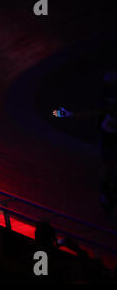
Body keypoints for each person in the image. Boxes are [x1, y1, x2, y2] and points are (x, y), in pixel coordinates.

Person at [52, 72, 117, 214]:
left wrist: (69, 114)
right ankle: (105, 192)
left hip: (109, 132)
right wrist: (70, 114)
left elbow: (95, 113)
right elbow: (95, 113)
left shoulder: (107, 100)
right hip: (110, 134)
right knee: (108, 165)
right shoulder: (109, 102)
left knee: (108, 164)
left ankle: (106, 192)